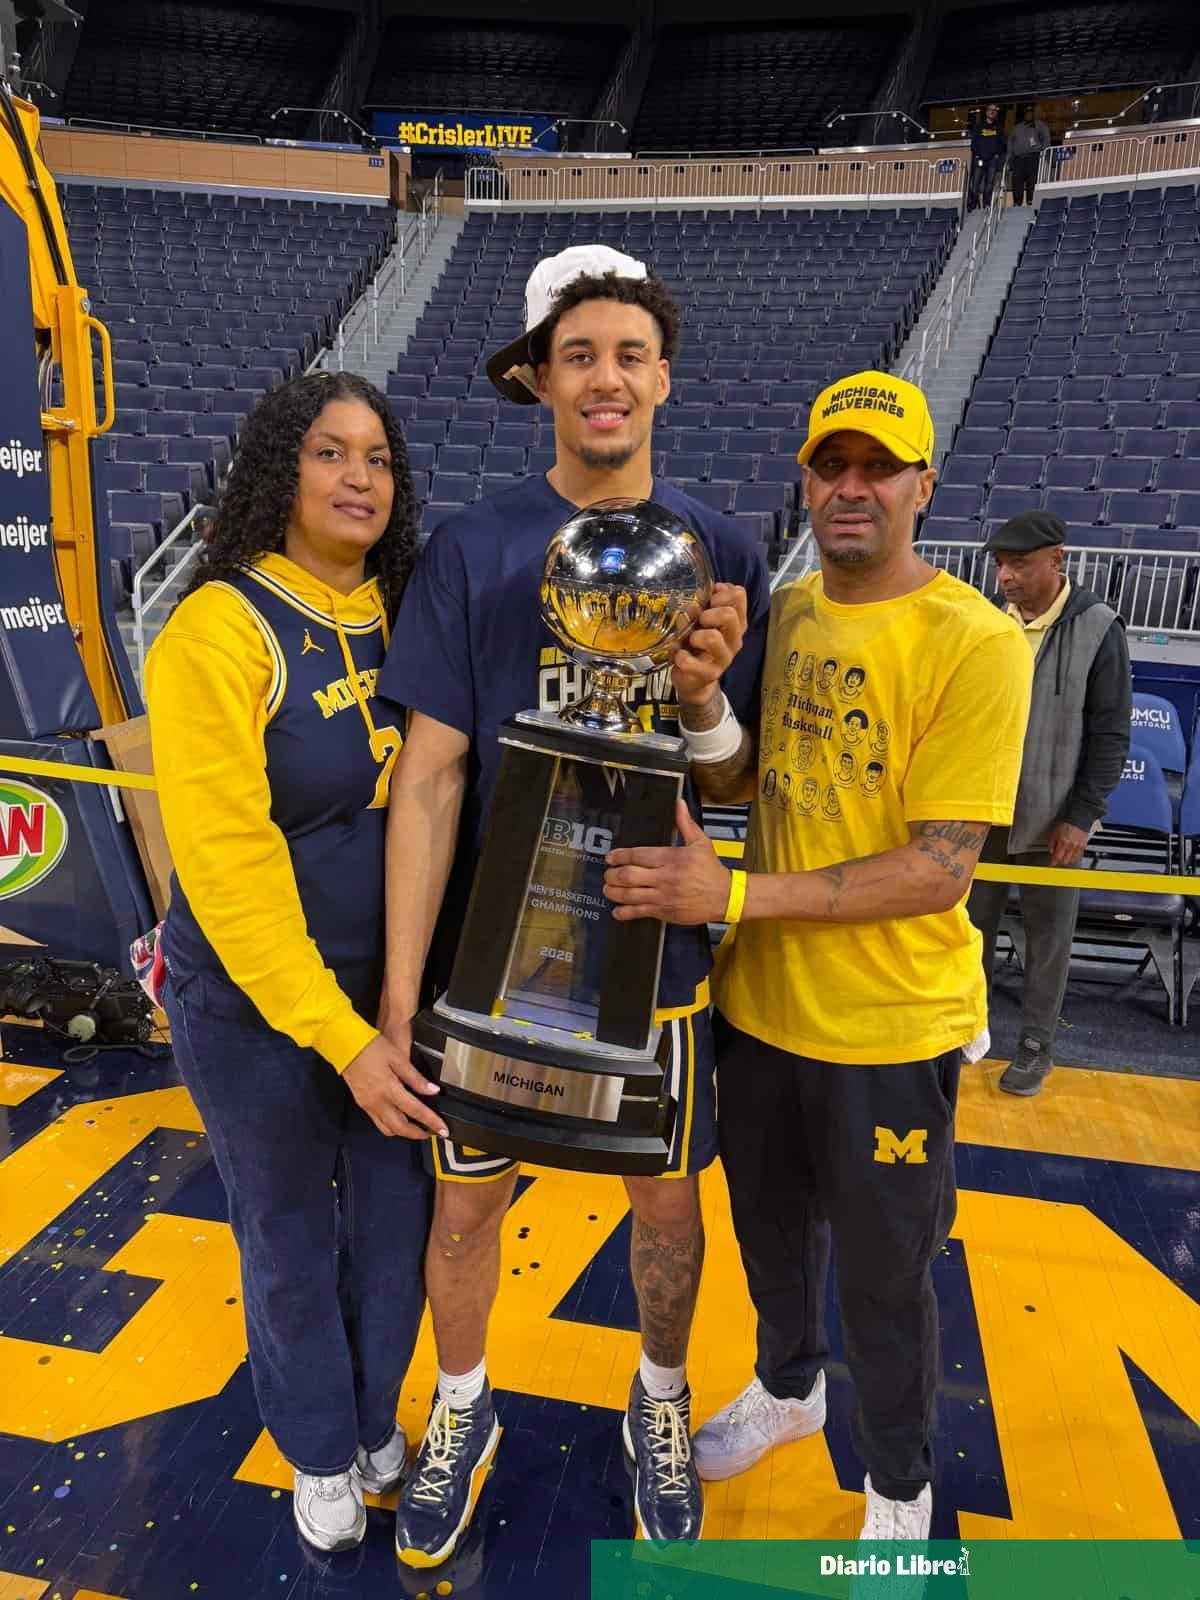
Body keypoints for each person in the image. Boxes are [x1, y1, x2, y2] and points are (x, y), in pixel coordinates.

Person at [377, 245, 768, 1566]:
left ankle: (658, 1401)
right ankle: (463, 1403)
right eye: (580, 355)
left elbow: (735, 773)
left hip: (654, 946)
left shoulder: (723, 549)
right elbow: (431, 779)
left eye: (629, 355)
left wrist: (702, 703)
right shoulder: (472, 548)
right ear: (540, 380)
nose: (606, 377)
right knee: (464, 1206)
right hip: (496, 949)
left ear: (664, 380)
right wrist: (401, 999)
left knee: (667, 1206)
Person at [601, 370, 1033, 1546]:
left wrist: (732, 893)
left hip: (891, 1027)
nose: (853, 487)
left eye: (878, 469)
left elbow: (940, 867)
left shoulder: (977, 640)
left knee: (887, 1279)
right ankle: (790, 1390)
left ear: (922, 486)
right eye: (832, 465)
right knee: (773, 1243)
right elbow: (745, 774)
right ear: (804, 481)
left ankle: (898, 1489)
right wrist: (701, 700)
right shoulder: (786, 612)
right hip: (762, 1011)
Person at [146, 373, 441, 1554]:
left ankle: (373, 1420)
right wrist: (344, 1037)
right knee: (286, 1231)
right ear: (281, 470)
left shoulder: (409, 610)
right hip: (254, 1003)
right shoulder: (218, 629)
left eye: (378, 457)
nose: (359, 477)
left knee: (395, 1222)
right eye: (330, 452)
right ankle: (319, 1446)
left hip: (389, 993)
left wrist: (398, 1008)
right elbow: (231, 874)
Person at [967, 513, 1131, 1096]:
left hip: (1055, 818)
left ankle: (1036, 1047)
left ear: (1057, 559)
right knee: (968, 930)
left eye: (1018, 564)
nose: (1005, 577)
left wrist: (1081, 816)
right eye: (999, 565)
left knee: (1048, 940)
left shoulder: (1098, 627)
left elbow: (1111, 734)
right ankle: (965, 1034)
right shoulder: (985, 618)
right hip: (981, 811)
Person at [1008, 104, 1050, 206]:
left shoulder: (1039, 125)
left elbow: (1046, 138)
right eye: (1027, 113)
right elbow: (1010, 141)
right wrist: (1010, 156)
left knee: (1032, 180)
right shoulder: (1017, 127)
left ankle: (1031, 201)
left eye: (1031, 113)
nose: (1029, 115)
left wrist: (1042, 149)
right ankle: (1017, 202)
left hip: (1032, 157)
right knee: (1017, 180)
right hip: (1018, 159)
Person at [969, 103, 1004, 210]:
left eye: (994, 110)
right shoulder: (979, 126)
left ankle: (986, 206)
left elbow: (1002, 144)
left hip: (992, 160)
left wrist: (997, 154)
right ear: (986, 112)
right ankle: (973, 205)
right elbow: (974, 143)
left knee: (989, 184)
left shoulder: (999, 127)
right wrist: (977, 155)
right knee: (975, 184)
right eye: (990, 109)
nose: (992, 111)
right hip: (980, 159)